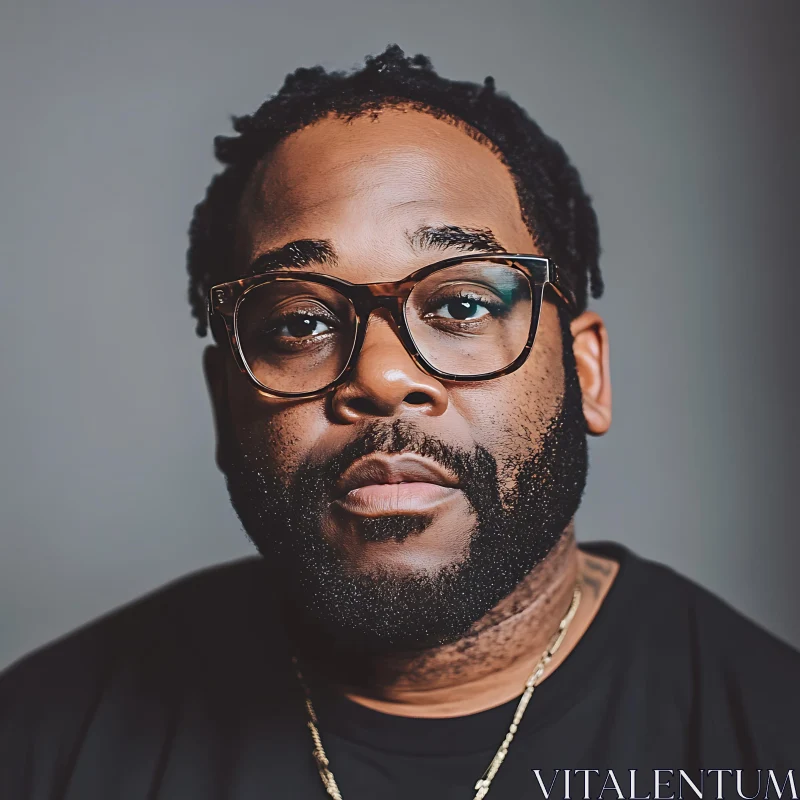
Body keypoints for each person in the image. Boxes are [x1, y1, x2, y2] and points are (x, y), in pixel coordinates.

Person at [1, 45, 798, 800]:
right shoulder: (42, 743)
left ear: (587, 373)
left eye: (461, 304)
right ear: (223, 403)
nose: (382, 378)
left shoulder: (767, 738)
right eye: (301, 322)